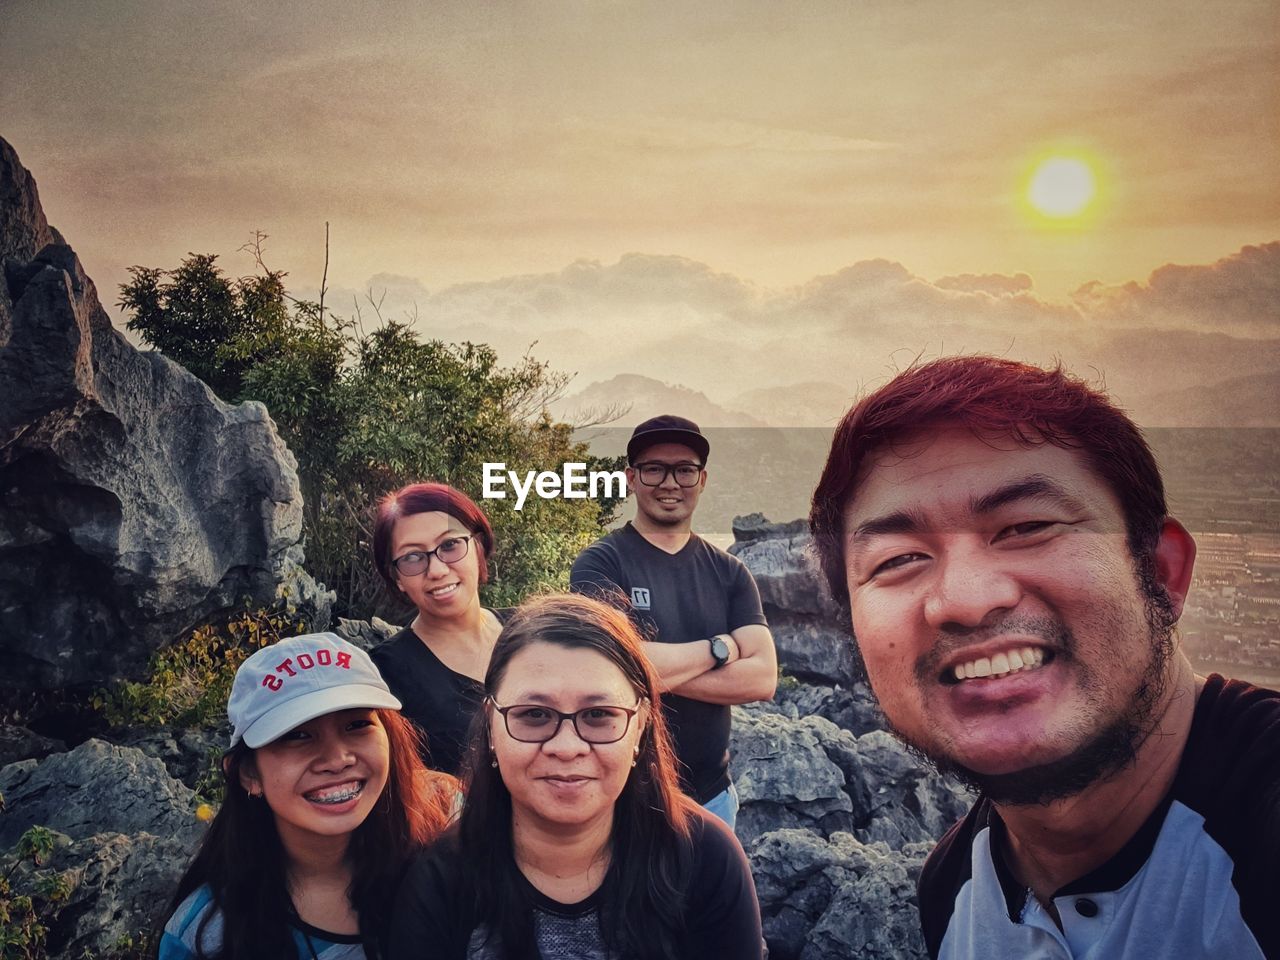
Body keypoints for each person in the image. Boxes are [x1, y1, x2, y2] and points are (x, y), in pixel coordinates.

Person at [809, 356, 1280, 959]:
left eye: (1026, 526)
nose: (967, 602)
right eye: (898, 560)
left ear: (1161, 574)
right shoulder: (953, 890)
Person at [388, 592, 765, 960]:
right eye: (534, 714)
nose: (567, 747)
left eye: (599, 715)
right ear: (490, 725)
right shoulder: (439, 885)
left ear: (641, 725)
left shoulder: (706, 859)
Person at [157, 632, 455, 960]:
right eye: (297, 735)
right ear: (248, 774)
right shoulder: (204, 935)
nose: (337, 758)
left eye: (356, 724)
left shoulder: (449, 843)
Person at [570, 415, 777, 828]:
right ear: (631, 478)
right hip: (624, 798)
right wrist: (721, 649)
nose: (670, 483)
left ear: (701, 480)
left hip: (714, 798)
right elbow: (607, 668)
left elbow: (763, 679)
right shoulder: (601, 563)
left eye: (684, 470)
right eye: (653, 469)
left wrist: (647, 670)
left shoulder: (731, 572)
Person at [370, 482, 510, 776]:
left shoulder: (531, 630)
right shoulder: (384, 676)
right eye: (411, 557)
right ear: (396, 577)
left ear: (479, 547)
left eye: (449, 545)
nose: (436, 570)